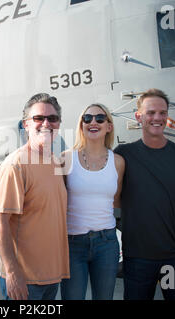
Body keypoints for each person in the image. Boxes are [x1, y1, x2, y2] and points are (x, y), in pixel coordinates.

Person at [114, 88, 175, 300]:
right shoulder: (123, 155)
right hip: (138, 261)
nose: (157, 118)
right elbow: (112, 197)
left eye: (162, 113)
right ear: (138, 116)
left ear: (167, 116)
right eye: (150, 113)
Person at [0, 93, 69, 300]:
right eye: (38, 118)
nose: (46, 123)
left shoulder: (55, 163)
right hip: (25, 280)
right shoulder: (15, 165)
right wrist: (13, 272)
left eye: (52, 118)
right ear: (26, 124)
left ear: (58, 124)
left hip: (51, 278)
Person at [60, 103, 125, 300]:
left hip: (106, 244)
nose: (93, 122)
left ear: (109, 126)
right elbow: (58, 201)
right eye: (87, 118)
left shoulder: (118, 162)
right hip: (72, 244)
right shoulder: (65, 159)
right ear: (81, 125)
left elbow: (116, 200)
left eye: (99, 118)